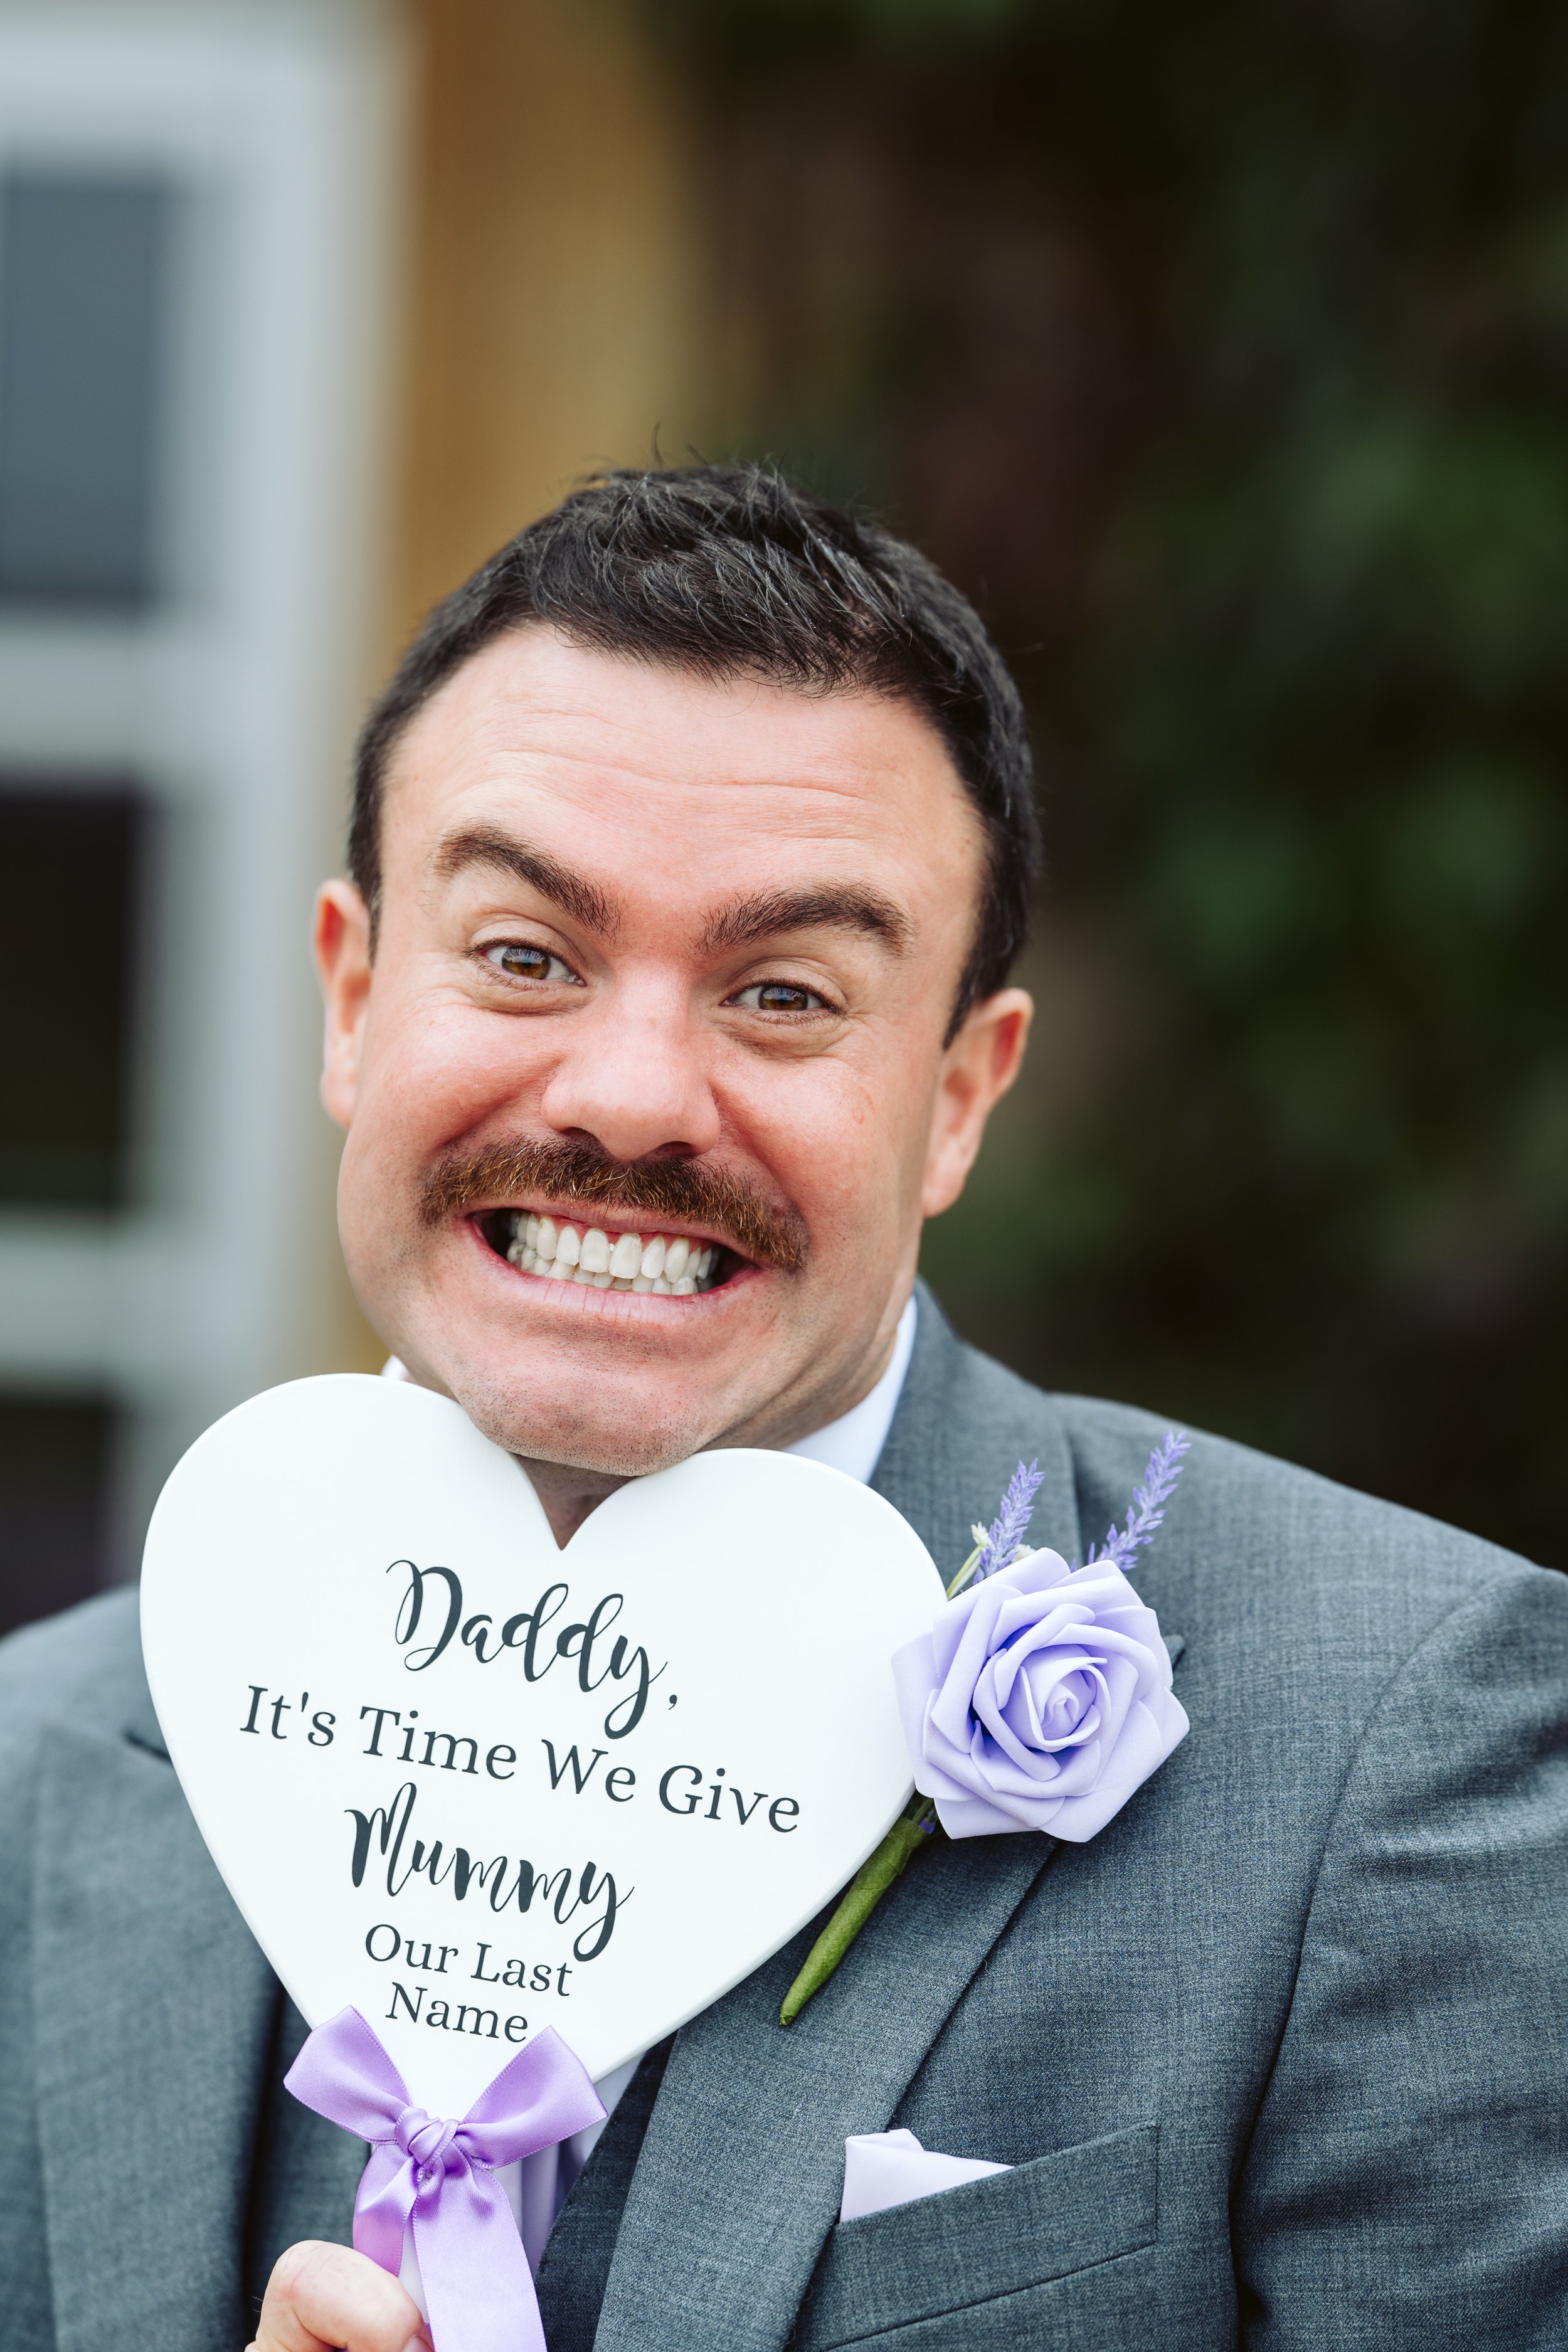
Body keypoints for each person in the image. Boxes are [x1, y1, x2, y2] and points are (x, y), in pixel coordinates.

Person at [2, 466, 1565, 2352]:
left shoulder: (1392, 1753)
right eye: (522, 956)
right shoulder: (28, 1774)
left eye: (784, 993)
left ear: (961, 1097)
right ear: (350, 997)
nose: (635, 1095)